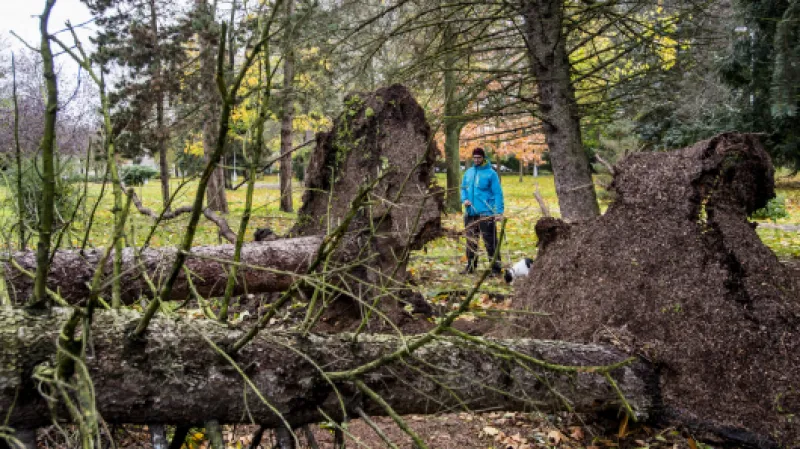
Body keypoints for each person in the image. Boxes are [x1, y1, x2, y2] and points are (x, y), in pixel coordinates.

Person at [460, 147, 505, 275]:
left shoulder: (491, 174)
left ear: (484, 158)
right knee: (471, 240)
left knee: (490, 242)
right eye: (474, 158)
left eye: (479, 158)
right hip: (470, 213)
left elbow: (498, 193)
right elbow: (463, 188)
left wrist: (499, 212)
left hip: (486, 213)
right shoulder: (468, 172)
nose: (476, 160)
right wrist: (464, 199)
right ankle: (471, 266)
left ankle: (495, 269)